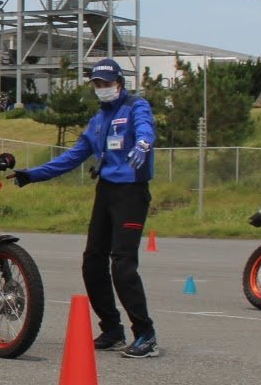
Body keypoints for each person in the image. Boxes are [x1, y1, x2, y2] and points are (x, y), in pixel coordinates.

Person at [11, 59, 159, 357]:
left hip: (131, 192)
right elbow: (72, 157)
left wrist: (143, 144)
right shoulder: (97, 121)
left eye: (107, 83)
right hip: (105, 192)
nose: (102, 89)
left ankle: (145, 333)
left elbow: (146, 128)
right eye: (97, 84)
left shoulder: (135, 106)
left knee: (122, 263)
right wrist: (32, 175)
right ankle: (112, 328)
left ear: (119, 82)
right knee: (92, 262)